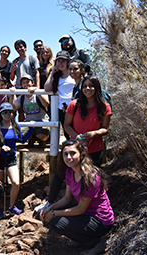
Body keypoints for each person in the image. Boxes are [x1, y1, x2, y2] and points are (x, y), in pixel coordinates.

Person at [36, 76, 112, 218]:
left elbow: (105, 128)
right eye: (85, 86)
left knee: (91, 178)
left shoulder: (104, 106)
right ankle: (50, 201)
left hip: (95, 148)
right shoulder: (74, 105)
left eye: (91, 86)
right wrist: (77, 137)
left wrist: (94, 133)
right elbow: (66, 125)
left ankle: (90, 209)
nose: (87, 89)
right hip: (74, 149)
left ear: (97, 88)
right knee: (60, 174)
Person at [40, 140, 114, 255]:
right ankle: (81, 239)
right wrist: (50, 207)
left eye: (73, 153)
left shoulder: (90, 177)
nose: (69, 157)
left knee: (57, 221)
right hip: (86, 214)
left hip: (100, 220)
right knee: (56, 216)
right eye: (65, 154)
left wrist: (54, 213)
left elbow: (80, 209)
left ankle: (94, 243)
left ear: (81, 154)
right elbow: (67, 198)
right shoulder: (70, 172)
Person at [0, 103, 34, 215]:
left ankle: (12, 207)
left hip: (11, 157)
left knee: (16, 183)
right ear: (1, 114)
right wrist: (1, 147)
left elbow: (21, 140)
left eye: (9, 112)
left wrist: (31, 129)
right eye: (4, 112)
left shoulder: (16, 125)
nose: (7, 114)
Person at [9, 74, 50, 148]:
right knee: (18, 135)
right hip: (29, 122)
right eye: (23, 83)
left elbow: (46, 103)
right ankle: (32, 137)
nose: (26, 84)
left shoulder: (40, 92)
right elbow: (13, 108)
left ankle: (41, 140)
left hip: (42, 121)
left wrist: (37, 92)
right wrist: (12, 95)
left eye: (28, 82)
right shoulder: (22, 97)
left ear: (33, 82)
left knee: (42, 135)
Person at [44, 50, 75, 140]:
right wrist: (52, 73)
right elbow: (47, 88)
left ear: (68, 62)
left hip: (73, 108)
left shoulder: (73, 74)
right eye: (58, 61)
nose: (60, 63)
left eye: (63, 61)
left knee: (74, 131)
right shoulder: (57, 76)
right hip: (62, 109)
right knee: (67, 133)